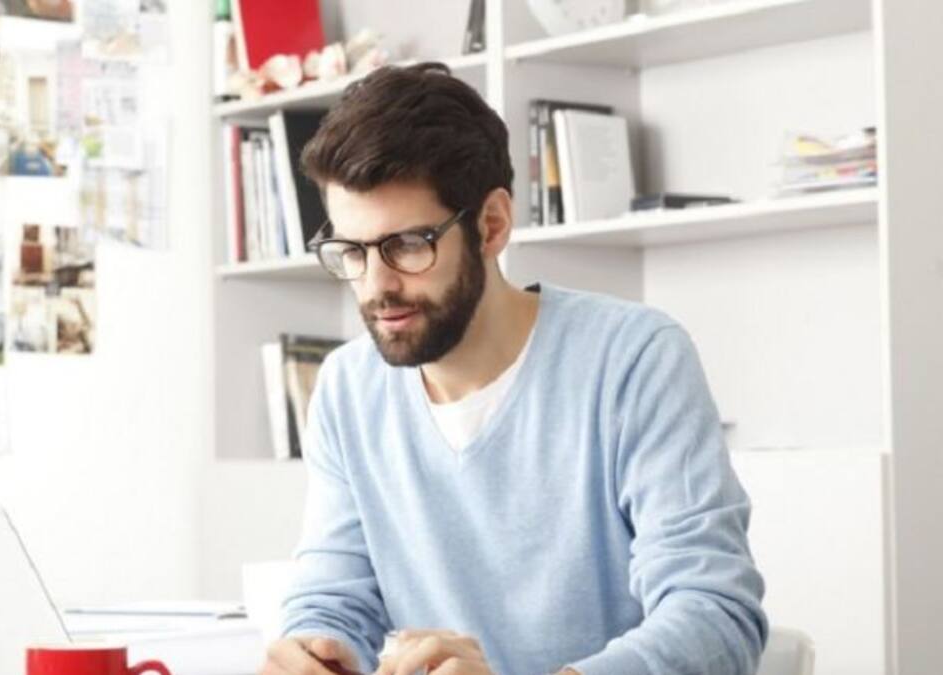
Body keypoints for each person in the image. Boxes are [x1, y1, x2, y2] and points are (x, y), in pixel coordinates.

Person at [258, 63, 767, 675]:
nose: (376, 286)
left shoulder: (634, 359)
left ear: (492, 225)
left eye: (408, 245)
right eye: (351, 250)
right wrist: (317, 647)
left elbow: (714, 614)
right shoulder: (347, 388)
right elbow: (334, 595)